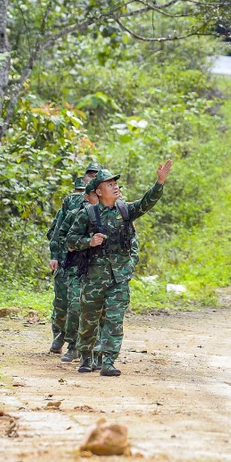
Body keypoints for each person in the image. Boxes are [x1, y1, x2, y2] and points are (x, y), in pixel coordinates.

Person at [67, 160, 173, 376]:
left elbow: (146, 202)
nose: (115, 186)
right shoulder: (88, 214)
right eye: (109, 184)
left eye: (116, 183)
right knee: (89, 320)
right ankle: (87, 357)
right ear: (98, 191)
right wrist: (89, 241)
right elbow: (70, 240)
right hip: (94, 279)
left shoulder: (125, 210)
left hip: (118, 279)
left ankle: (108, 361)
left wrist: (159, 182)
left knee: (114, 321)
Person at [47, 163, 101, 354]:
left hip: (90, 264)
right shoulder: (72, 202)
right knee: (62, 303)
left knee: (81, 305)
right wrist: (55, 255)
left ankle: (82, 345)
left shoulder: (108, 204)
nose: (92, 177)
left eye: (96, 175)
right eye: (90, 174)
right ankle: (59, 335)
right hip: (66, 260)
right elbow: (57, 231)